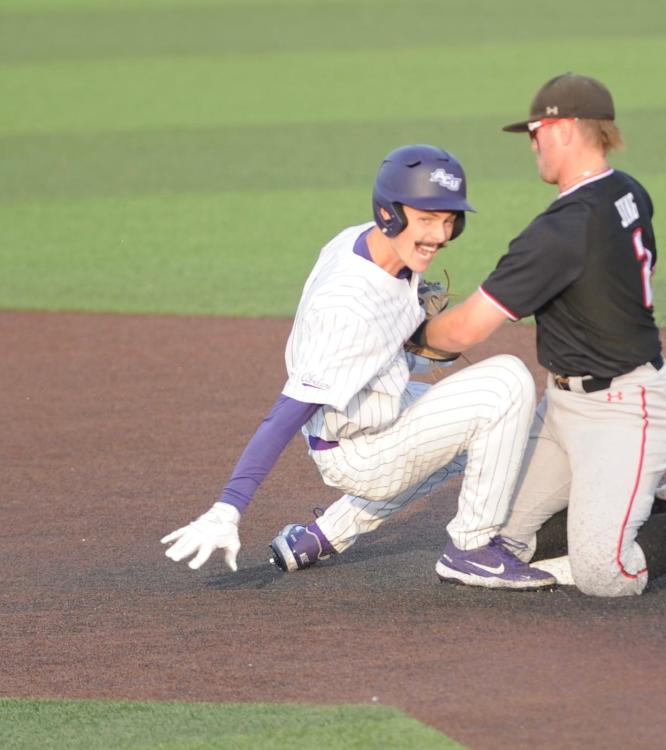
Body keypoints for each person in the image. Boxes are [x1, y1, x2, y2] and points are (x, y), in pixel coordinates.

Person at [410, 73, 666, 596]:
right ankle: (665, 505)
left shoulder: (559, 231)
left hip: (627, 409)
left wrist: (410, 334)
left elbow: (466, 328)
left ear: (566, 128)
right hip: (563, 407)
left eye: (536, 131)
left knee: (604, 573)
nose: (532, 144)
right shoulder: (628, 191)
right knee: (495, 537)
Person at [161, 144, 556, 591]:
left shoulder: (368, 242)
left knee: (495, 434)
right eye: (427, 219)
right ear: (390, 214)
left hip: (372, 403)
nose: (440, 235)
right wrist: (228, 506)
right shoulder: (348, 308)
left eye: (449, 221)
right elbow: (286, 412)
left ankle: (322, 536)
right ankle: (470, 549)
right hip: (356, 449)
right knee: (505, 384)